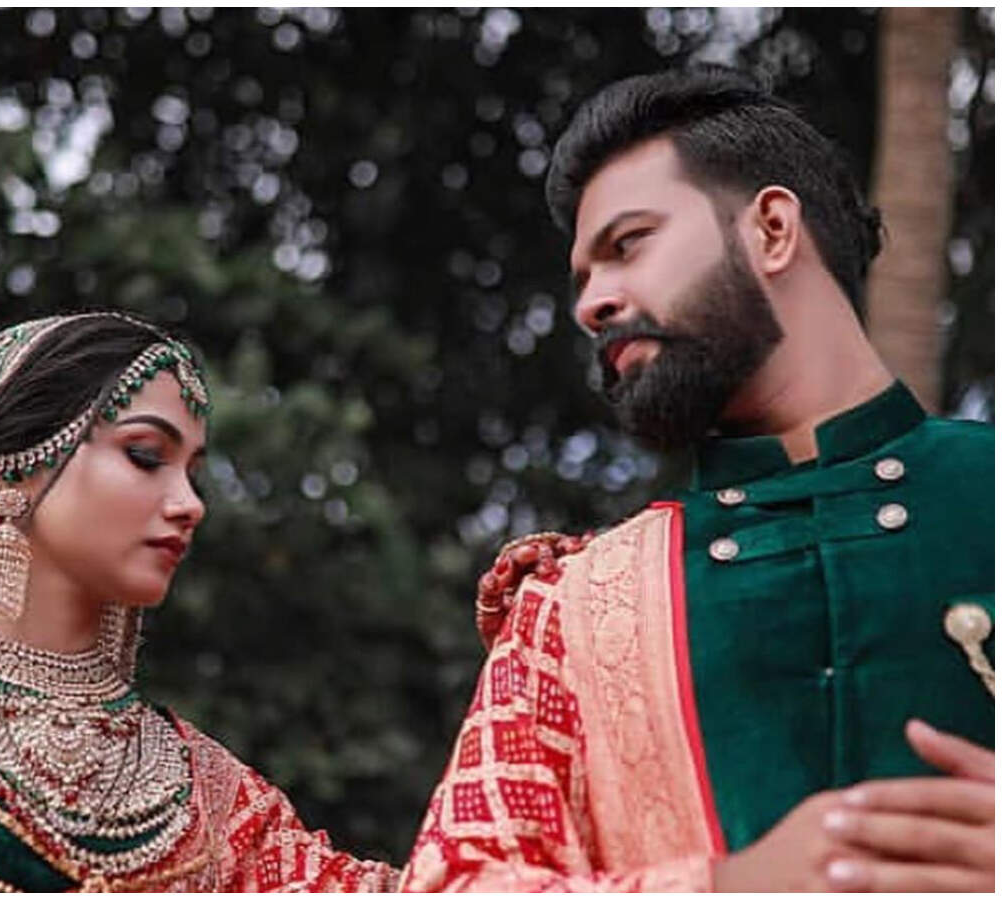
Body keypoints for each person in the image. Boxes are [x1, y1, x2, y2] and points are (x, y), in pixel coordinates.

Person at [401, 66, 993, 892]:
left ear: (773, 229)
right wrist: (729, 884)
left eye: (627, 244)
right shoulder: (569, 610)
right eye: (582, 278)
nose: (591, 304)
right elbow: (455, 883)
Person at [0, 312, 399, 892]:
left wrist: (498, 664)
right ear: (16, 469)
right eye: (145, 455)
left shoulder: (214, 798)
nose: (190, 504)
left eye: (195, 474)